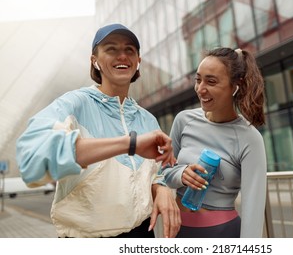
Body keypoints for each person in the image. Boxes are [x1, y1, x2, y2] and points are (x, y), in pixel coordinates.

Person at [16, 23, 181, 238]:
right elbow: (31, 160)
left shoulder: (147, 119)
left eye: (129, 50)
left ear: (138, 61)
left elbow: (158, 172)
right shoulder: (74, 104)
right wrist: (130, 144)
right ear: (94, 60)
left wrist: (161, 188)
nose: (122, 55)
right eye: (111, 49)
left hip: (141, 236)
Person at [163, 47, 267, 238]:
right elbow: (165, 172)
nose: (200, 89)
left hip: (222, 234)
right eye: (198, 79)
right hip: (178, 232)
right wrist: (182, 174)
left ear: (235, 86)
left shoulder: (250, 138)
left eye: (211, 81)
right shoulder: (183, 120)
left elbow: (254, 207)